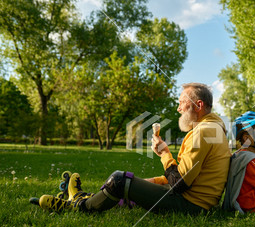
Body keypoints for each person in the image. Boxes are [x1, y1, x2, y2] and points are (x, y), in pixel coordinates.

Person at [38, 83, 231, 214]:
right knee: (130, 184)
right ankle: (87, 197)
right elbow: (186, 177)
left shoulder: (203, 132)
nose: (178, 108)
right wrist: (150, 182)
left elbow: (179, 184)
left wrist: (164, 153)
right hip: (198, 201)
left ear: (198, 105)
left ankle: (80, 206)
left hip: (191, 205)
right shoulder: (213, 128)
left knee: (120, 180)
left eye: (182, 102)